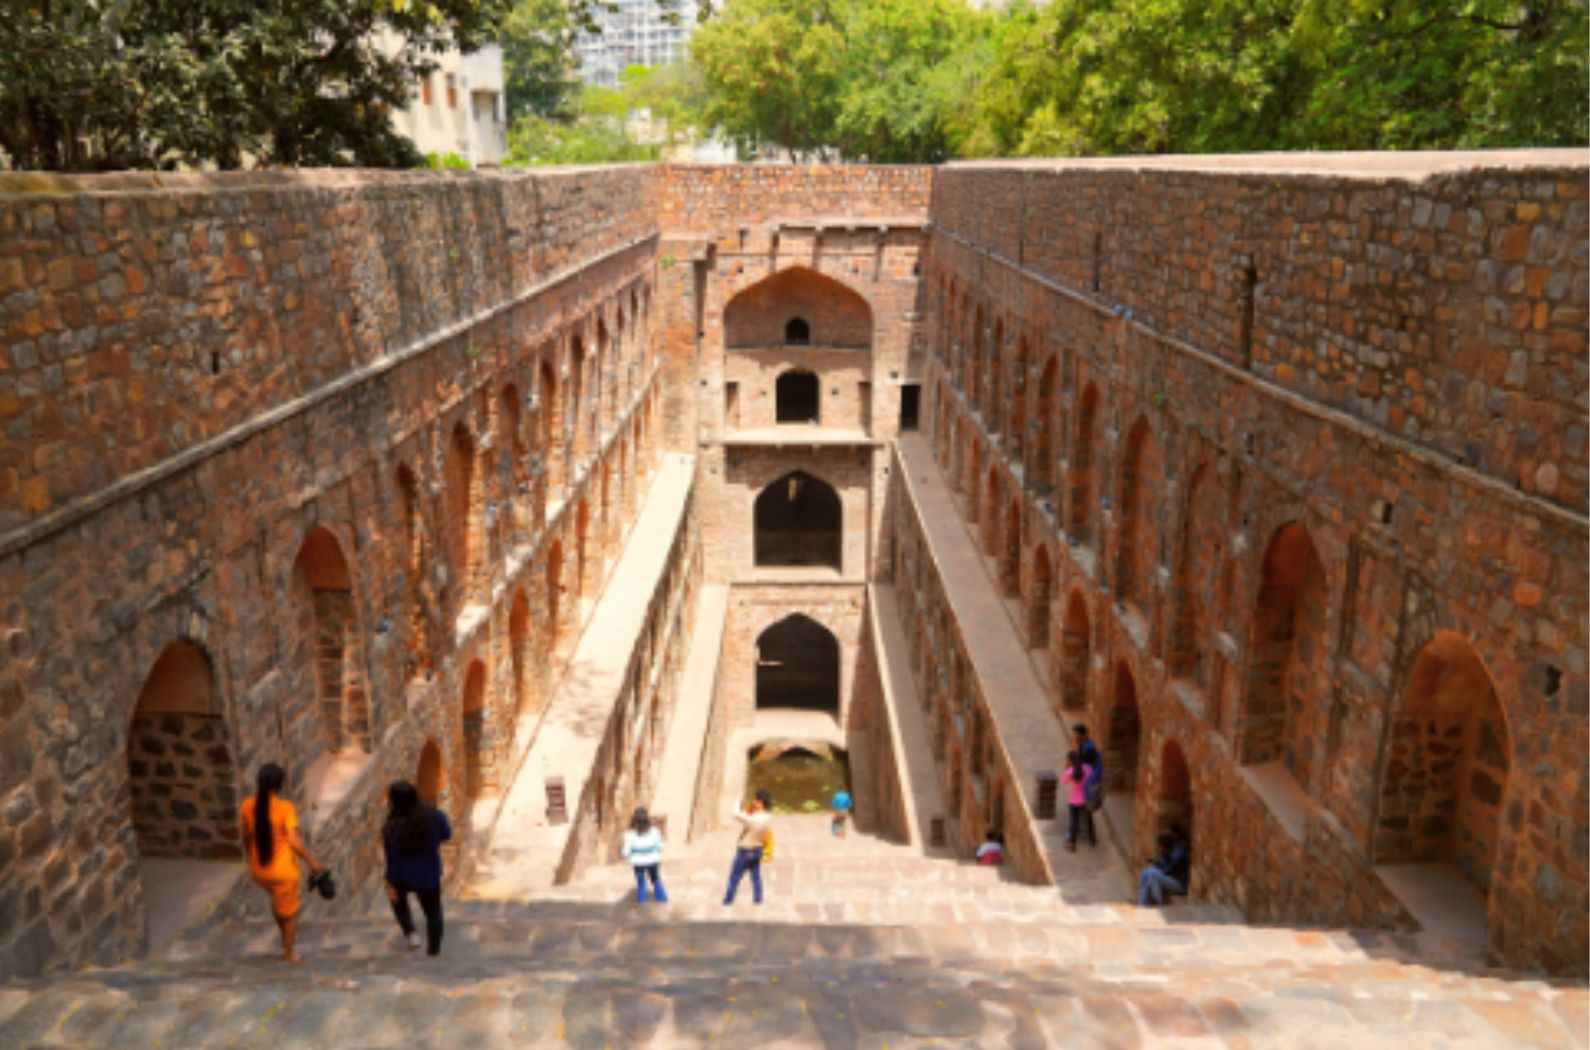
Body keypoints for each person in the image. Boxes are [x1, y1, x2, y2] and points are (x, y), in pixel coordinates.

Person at [239, 763, 324, 964]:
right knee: (291, 913)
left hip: (259, 870)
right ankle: (288, 955)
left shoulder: (246, 805)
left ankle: (286, 943)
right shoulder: (285, 808)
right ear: (279, 785)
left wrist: (250, 859)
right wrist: (312, 862)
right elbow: (293, 841)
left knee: (279, 907)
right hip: (282, 871)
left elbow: (247, 836)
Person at [382, 780, 452, 955]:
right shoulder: (434, 816)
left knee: (398, 903)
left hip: (402, 876)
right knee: (433, 911)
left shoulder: (391, 826)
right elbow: (447, 834)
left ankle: (411, 932)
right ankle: (434, 951)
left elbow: (391, 857)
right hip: (428, 872)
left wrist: (390, 882)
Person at [723, 790, 772, 905]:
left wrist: (737, 798)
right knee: (756, 876)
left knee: (734, 878)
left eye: (755, 800)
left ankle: (728, 900)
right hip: (757, 850)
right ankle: (758, 899)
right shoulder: (768, 817)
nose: (753, 802)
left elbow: (735, 814)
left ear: (760, 803)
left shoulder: (753, 820)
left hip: (745, 851)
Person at [622, 806, 668, 903]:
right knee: (656, 879)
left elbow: (625, 852)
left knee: (641, 882)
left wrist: (628, 854)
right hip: (653, 860)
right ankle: (662, 899)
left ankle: (642, 902)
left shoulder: (629, 834)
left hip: (638, 862)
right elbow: (660, 847)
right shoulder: (654, 831)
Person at [1137, 829, 1191, 907]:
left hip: (1179, 884)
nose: (1159, 848)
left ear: (1164, 846)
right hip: (1171, 877)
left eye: (1160, 846)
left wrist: (1157, 865)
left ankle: (1158, 902)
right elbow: (1161, 862)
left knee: (1152, 875)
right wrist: (1155, 862)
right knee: (1145, 873)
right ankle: (1141, 905)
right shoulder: (1168, 852)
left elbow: (1167, 871)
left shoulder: (1177, 857)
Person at [1061, 749, 1097, 850]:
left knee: (1074, 822)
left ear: (1070, 761)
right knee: (1089, 819)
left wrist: (1066, 768)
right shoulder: (1088, 768)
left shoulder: (1071, 771)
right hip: (1087, 799)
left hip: (1074, 801)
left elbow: (1064, 781)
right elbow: (1093, 778)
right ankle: (1092, 838)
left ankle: (1072, 842)